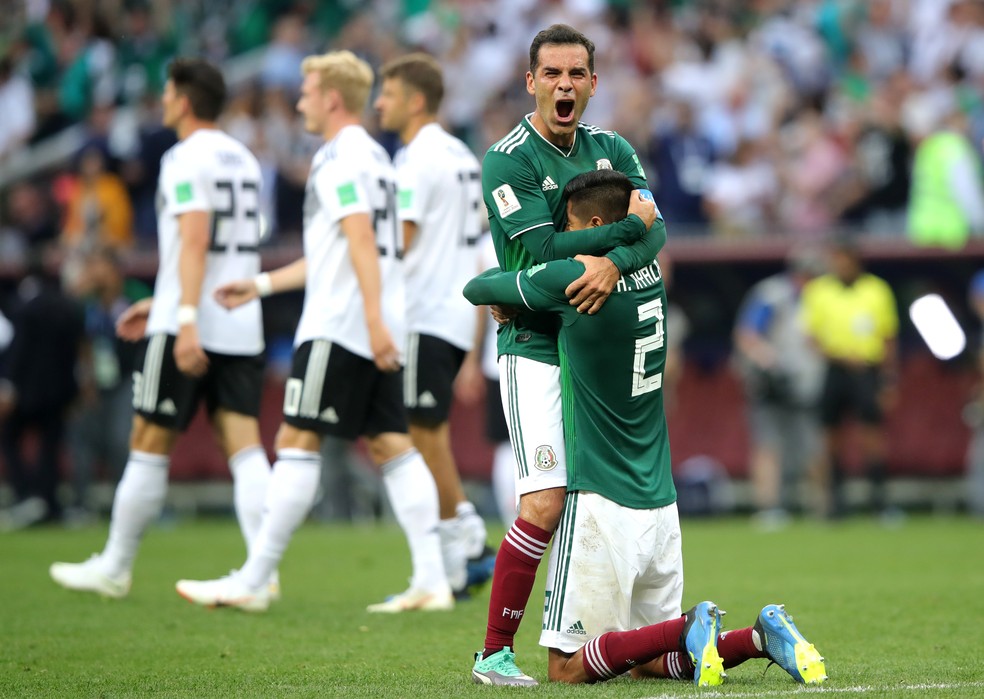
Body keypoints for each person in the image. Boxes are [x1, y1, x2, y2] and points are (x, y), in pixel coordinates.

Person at [464, 169, 827, 687]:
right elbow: (650, 233)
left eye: (569, 227)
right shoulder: (651, 270)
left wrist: (529, 285)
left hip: (601, 498)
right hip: (660, 498)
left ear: (594, 224)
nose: (563, 238)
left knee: (566, 668)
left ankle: (686, 626)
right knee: (650, 661)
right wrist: (625, 237)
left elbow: (477, 286)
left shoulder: (574, 277)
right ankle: (757, 637)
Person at [174, 50, 452, 614]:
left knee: (296, 441)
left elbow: (358, 240)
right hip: (372, 318)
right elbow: (340, 248)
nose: (299, 101)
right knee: (391, 443)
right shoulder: (375, 156)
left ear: (329, 97)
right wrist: (264, 284)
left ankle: (254, 578)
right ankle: (432, 579)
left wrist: (371, 320)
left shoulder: (339, 157)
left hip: (342, 323)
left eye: (305, 91)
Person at [469, 24, 663, 685]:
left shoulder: (611, 148)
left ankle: (609, 637)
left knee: (592, 501)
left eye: (576, 73)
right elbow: (546, 252)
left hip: (595, 348)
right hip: (534, 343)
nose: (564, 84)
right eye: (551, 73)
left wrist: (613, 265)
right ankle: (494, 651)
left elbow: (657, 227)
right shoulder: (508, 158)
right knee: (546, 502)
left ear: (593, 83)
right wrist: (627, 235)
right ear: (531, 81)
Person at [49, 58, 273, 597]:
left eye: (169, 92)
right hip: (239, 319)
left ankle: (115, 566)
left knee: (148, 439)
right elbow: (232, 244)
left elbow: (195, 240)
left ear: (185, 100)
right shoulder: (243, 157)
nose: (163, 100)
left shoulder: (183, 157)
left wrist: (184, 315)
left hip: (189, 324)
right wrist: (163, 299)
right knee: (243, 443)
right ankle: (263, 574)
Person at [374, 52, 491, 594]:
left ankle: (463, 535)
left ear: (415, 100)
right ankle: (455, 549)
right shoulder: (463, 154)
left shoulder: (416, 158)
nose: (380, 103)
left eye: (389, 94)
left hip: (422, 310)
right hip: (454, 308)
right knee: (426, 431)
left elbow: (401, 241)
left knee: (419, 432)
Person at [801, 237, 899, 519]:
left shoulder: (876, 290)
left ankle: (879, 502)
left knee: (872, 435)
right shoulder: (819, 291)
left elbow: (889, 336)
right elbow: (812, 336)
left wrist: (889, 379)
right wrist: (840, 356)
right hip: (835, 369)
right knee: (832, 436)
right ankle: (836, 502)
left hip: (868, 369)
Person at [733, 249, 825, 527]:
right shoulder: (772, 294)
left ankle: (820, 509)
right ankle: (770, 509)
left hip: (808, 383)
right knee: (768, 445)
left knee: (813, 446)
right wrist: (769, 362)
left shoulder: (822, 297)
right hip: (771, 383)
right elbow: (747, 337)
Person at [66, 246, 151, 522]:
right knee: (82, 439)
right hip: (94, 381)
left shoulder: (135, 294)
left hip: (129, 376)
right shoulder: (85, 303)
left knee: (120, 439)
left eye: (97, 265)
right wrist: (86, 379)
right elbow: (81, 342)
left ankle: (127, 506)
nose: (92, 272)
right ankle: (81, 504)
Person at [0, 251, 85, 530]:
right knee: (50, 448)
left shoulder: (23, 308)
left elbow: (18, 351)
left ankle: (28, 495)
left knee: (10, 439)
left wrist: (9, 386)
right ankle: (48, 502)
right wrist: (74, 390)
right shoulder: (67, 306)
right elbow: (76, 353)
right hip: (59, 392)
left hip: (26, 392)